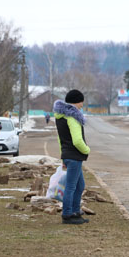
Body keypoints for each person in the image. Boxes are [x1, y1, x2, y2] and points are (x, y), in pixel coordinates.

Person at [53, 89, 90, 225]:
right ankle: (67, 214)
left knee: (80, 185)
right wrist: (87, 150)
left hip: (68, 155)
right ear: (76, 102)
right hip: (74, 156)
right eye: (81, 102)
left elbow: (60, 139)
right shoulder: (72, 117)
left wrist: (63, 155)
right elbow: (77, 141)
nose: (82, 105)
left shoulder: (61, 116)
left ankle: (75, 211)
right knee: (71, 187)